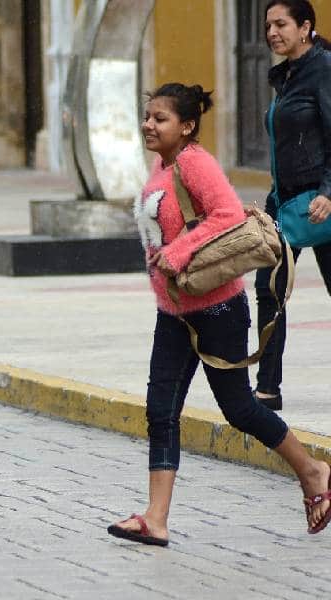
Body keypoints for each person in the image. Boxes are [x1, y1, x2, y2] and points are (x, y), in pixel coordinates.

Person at [107, 83, 331, 547]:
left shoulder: (193, 162)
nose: (149, 124)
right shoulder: (162, 163)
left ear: (186, 126)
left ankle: (312, 470)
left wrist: (179, 252)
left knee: (240, 409)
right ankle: (156, 518)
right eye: (147, 116)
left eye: (161, 118)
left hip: (217, 310)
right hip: (174, 311)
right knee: (160, 410)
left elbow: (227, 214)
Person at [254, 0, 331, 412]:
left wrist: (328, 191)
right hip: (284, 205)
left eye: (280, 24)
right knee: (270, 288)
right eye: (268, 25)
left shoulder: (325, 68)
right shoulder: (286, 76)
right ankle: (267, 388)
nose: (271, 32)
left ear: (305, 27)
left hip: (321, 203)